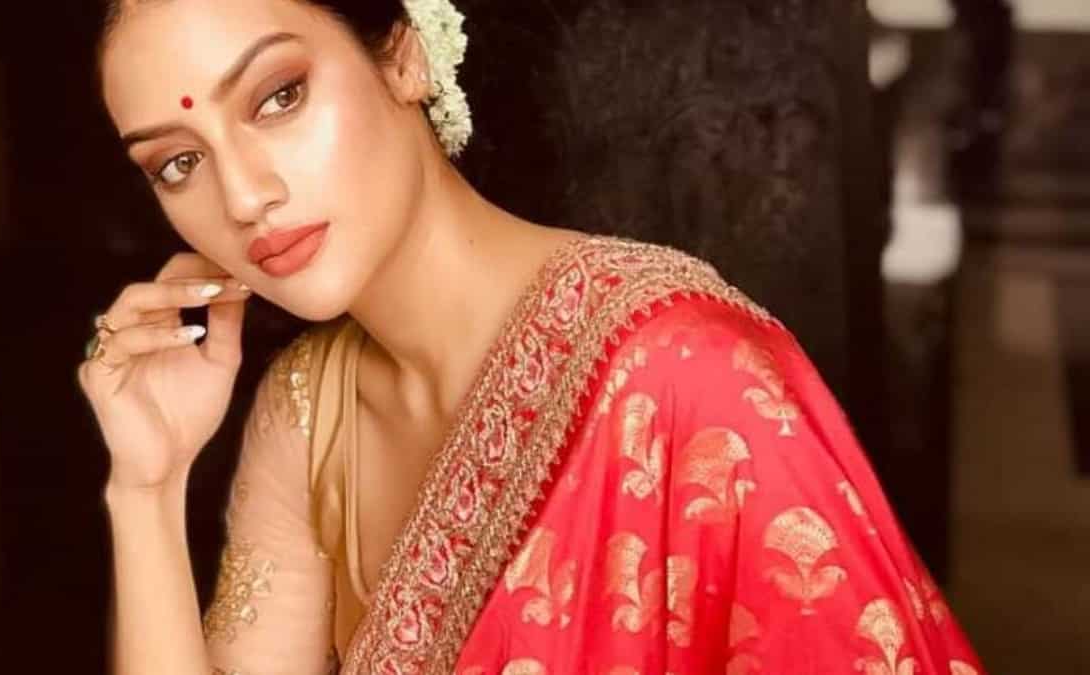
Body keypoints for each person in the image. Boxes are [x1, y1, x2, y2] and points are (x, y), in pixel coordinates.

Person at [81, 1, 986, 673]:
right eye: (179, 162)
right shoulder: (308, 412)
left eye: (279, 97)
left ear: (403, 55)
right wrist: (146, 487)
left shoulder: (693, 377)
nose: (244, 197)